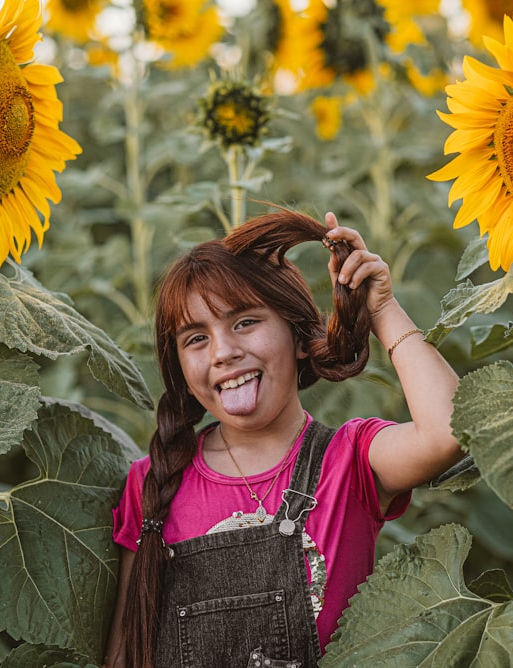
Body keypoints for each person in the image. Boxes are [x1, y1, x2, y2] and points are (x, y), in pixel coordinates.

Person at [103, 209, 462, 667]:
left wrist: (382, 309)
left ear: (297, 335)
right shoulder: (152, 485)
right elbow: (123, 655)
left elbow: (449, 430)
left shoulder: (349, 460)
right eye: (195, 338)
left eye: (245, 322)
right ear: (178, 369)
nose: (224, 352)